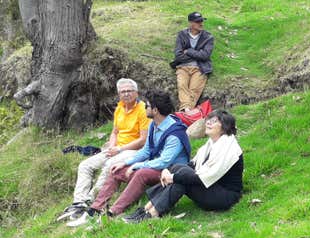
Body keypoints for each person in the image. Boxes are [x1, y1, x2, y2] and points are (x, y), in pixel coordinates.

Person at [67, 90, 191, 226]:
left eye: (147, 106)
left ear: (155, 110)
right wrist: (125, 163)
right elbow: (146, 150)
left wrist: (137, 166)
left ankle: (113, 212)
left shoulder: (175, 133)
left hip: (171, 171)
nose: (144, 108)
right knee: (115, 169)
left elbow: (164, 161)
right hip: (157, 167)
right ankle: (95, 209)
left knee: (141, 173)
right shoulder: (154, 125)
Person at [122, 110, 243, 223]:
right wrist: (167, 170)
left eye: (215, 121)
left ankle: (152, 213)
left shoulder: (228, 148)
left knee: (181, 181)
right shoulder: (212, 144)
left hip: (224, 196)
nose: (208, 123)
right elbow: (192, 165)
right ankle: (146, 209)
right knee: (178, 168)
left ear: (224, 127)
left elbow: (203, 178)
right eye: (209, 120)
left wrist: (173, 178)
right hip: (211, 188)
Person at [57, 78, 149, 221]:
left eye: (129, 91)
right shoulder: (120, 108)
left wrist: (119, 149)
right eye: (122, 92)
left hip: (134, 150)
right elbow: (115, 132)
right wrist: (112, 146)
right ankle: (79, 202)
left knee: (109, 165)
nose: (126, 94)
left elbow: (143, 140)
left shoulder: (142, 109)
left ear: (136, 93)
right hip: (117, 148)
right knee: (85, 165)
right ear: (119, 94)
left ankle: (92, 199)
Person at [171, 12, 214, 112]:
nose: (201, 23)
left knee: (194, 89)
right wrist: (197, 55)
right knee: (182, 85)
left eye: (202, 21)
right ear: (191, 23)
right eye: (198, 21)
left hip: (200, 68)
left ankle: (186, 111)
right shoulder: (182, 35)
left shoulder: (208, 37)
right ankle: (188, 111)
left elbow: (205, 55)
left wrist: (188, 51)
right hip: (183, 67)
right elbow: (178, 55)